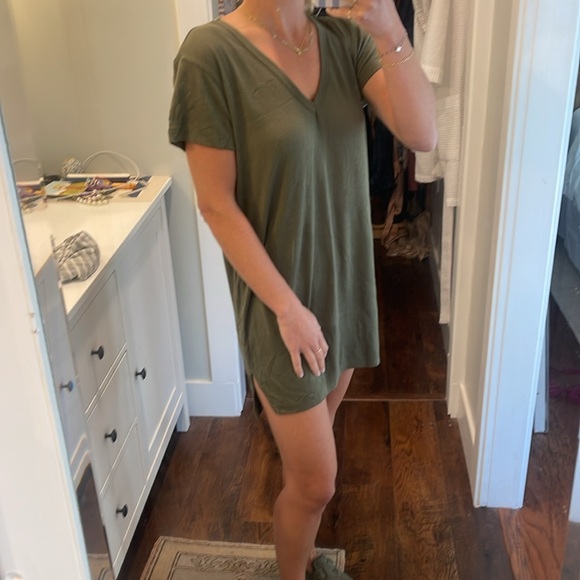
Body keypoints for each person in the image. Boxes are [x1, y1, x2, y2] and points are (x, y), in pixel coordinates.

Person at [169, 0, 436, 577]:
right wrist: (288, 309)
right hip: (279, 304)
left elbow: (423, 133)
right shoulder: (210, 54)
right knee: (317, 482)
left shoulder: (346, 40)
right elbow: (215, 203)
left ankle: (307, 557)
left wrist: (390, 29)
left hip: (343, 286)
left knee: (314, 456)